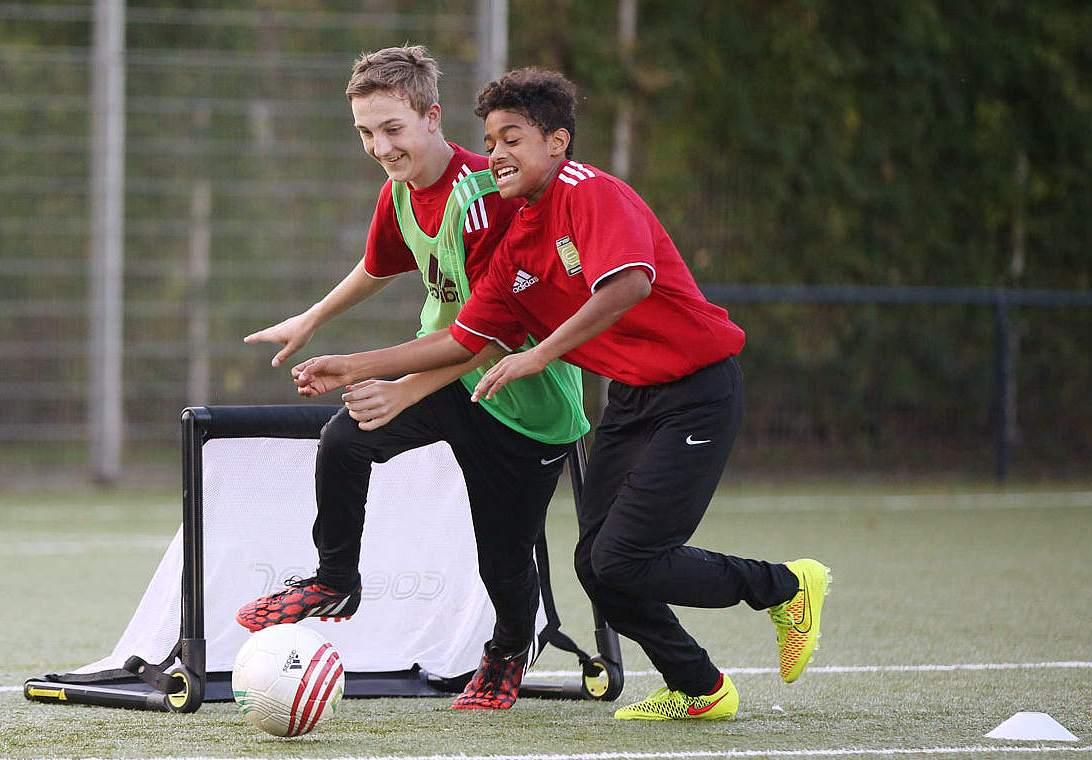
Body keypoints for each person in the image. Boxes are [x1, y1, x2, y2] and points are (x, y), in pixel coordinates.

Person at [290, 68, 830, 722]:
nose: (496, 155)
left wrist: (541, 354)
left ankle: (786, 587)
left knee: (626, 557)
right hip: (634, 400)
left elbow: (629, 283)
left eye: (513, 139)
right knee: (598, 569)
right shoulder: (515, 236)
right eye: (489, 141)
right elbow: (464, 341)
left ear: (557, 142)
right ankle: (701, 686)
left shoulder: (589, 191)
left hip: (700, 392)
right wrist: (352, 365)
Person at [235, 47, 590, 710]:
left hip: (521, 397)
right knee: (347, 438)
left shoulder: (486, 196)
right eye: (366, 132)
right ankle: (336, 579)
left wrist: (403, 387)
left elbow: (494, 335)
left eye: (392, 129)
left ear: (432, 118)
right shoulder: (400, 191)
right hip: (450, 376)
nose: (379, 146)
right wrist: (312, 319)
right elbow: (379, 265)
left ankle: (510, 647)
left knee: (504, 565)